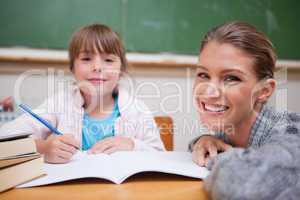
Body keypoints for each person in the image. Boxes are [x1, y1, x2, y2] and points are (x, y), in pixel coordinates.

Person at [0, 24, 165, 164]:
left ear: (121, 70)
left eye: (108, 60)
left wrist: (132, 145)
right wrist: (43, 148)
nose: (97, 67)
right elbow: (4, 138)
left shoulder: (136, 109)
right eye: (86, 59)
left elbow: (161, 156)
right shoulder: (59, 104)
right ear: (72, 68)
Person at [190, 21, 300, 199]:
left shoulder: (290, 131)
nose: (209, 92)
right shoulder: (229, 131)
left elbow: (244, 186)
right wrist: (203, 140)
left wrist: (218, 160)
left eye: (231, 78)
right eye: (203, 75)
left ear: (264, 91)